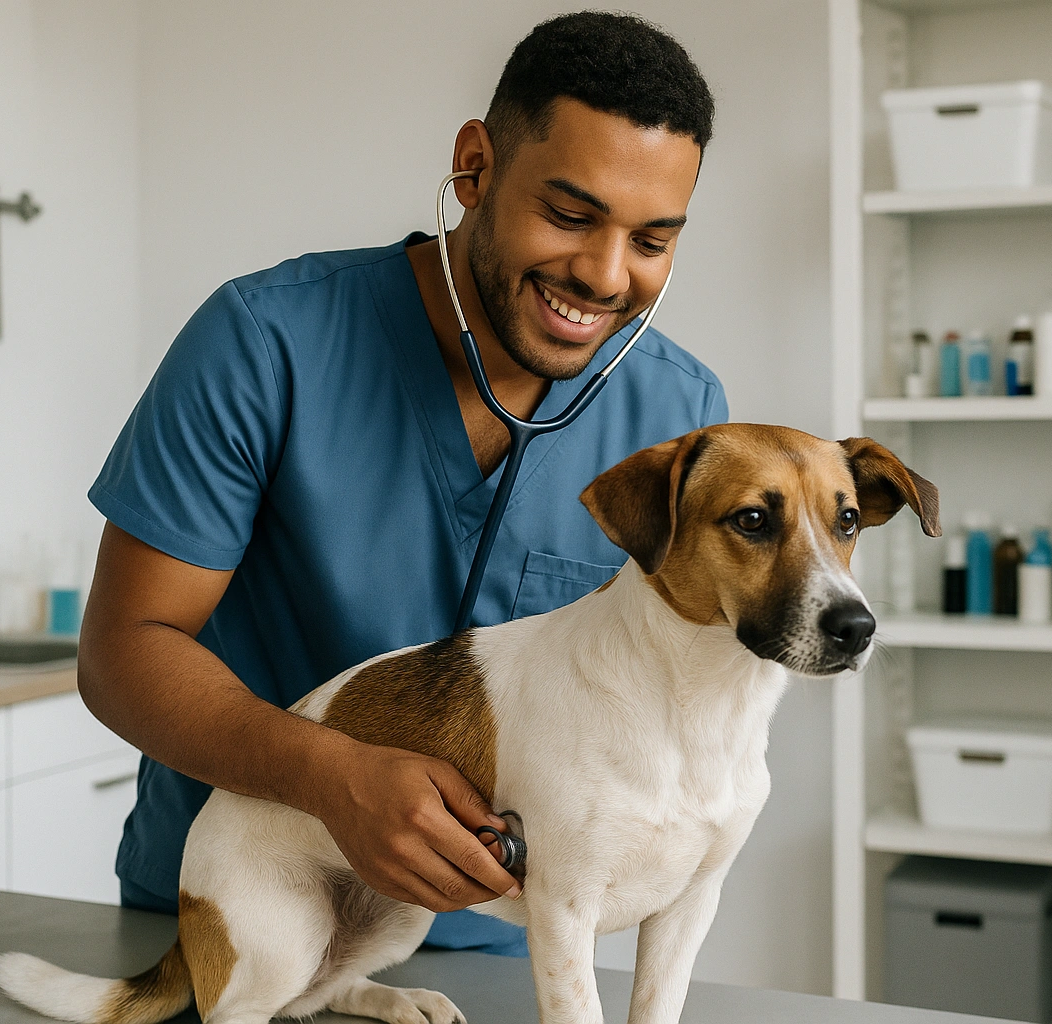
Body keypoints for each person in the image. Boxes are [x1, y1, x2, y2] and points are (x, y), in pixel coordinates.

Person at [79, 11, 726, 957]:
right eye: (570, 215)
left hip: (499, 947)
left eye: (652, 240)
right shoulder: (266, 344)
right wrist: (327, 776)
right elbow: (123, 651)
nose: (603, 274)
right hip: (237, 925)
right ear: (475, 169)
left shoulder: (677, 419)